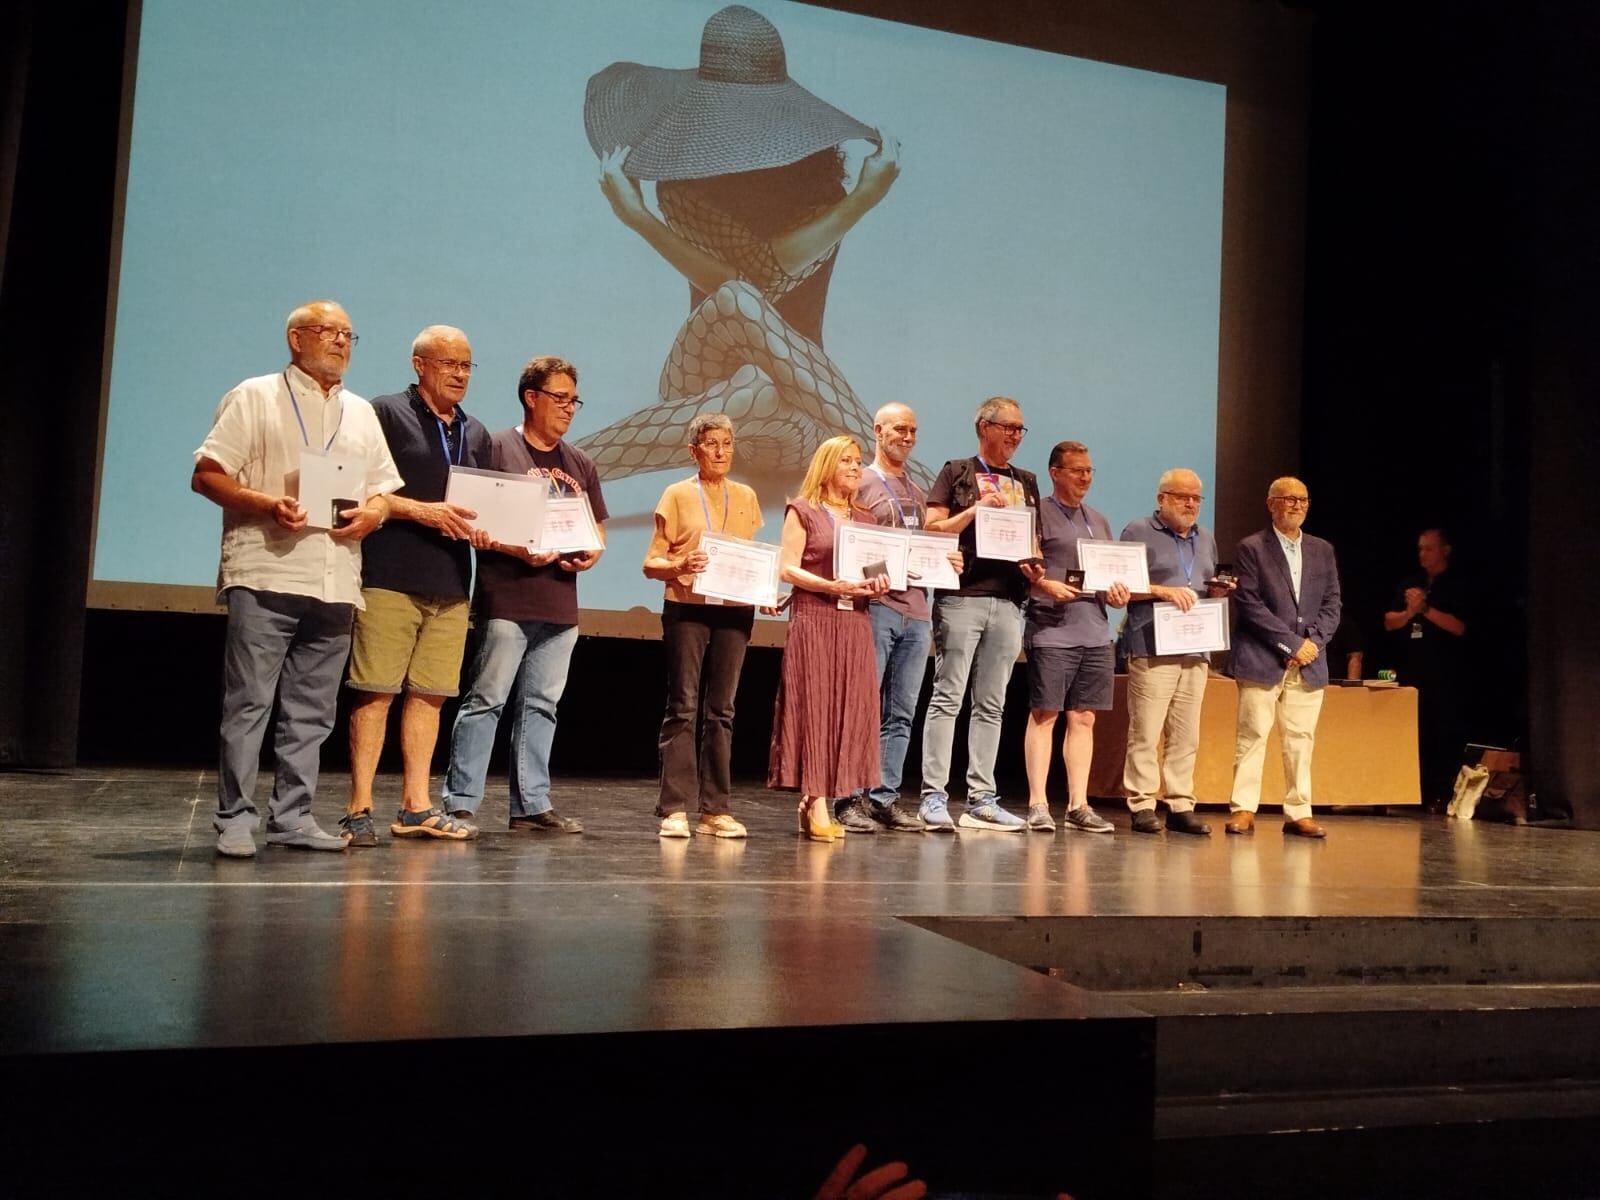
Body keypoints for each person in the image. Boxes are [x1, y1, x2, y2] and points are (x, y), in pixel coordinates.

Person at [580, 4, 929, 495]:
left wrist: (857, 201)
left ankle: (569, 465)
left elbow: (765, 279)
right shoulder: (684, 189)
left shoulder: (822, 191)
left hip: (798, 414)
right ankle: (898, 472)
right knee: (737, 301)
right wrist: (640, 218)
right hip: (695, 384)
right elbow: (749, 289)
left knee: (758, 383)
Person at [191, 300, 402, 858]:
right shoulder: (254, 395)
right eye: (329, 331)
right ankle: (235, 818)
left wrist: (374, 514)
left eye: (348, 334)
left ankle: (293, 816)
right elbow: (206, 474)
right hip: (267, 570)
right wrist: (265, 503)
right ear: (295, 339)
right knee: (249, 704)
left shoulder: (360, 411)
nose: (341, 342)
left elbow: (384, 490)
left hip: (335, 580)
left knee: (311, 712)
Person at [339, 326, 493, 847]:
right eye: (448, 362)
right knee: (376, 691)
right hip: (390, 576)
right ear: (418, 364)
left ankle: (415, 807)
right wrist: (422, 512)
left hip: (451, 582)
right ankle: (358, 808)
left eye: (467, 365)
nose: (459, 373)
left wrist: (493, 527)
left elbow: (485, 504)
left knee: (430, 696)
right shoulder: (384, 413)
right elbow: (360, 488)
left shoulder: (476, 433)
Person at [441, 356, 607, 834]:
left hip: (560, 603)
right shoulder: (496, 448)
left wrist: (590, 555)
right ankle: (461, 802)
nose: (569, 408)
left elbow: (595, 530)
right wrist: (522, 549)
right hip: (508, 596)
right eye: (559, 398)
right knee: (487, 698)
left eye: (574, 399)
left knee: (542, 705)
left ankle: (531, 803)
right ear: (531, 398)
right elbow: (474, 518)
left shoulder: (580, 462)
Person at [917, 397, 1046, 832]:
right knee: (948, 697)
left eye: (1020, 429)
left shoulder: (1026, 481)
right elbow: (932, 528)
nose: (1015, 436)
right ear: (983, 427)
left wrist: (1034, 564)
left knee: (991, 704)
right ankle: (933, 796)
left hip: (1010, 601)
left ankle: (981, 800)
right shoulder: (957, 471)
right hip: (962, 597)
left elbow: (1035, 542)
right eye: (1008, 426)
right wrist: (975, 511)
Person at [833, 403, 961, 834]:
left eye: (914, 430)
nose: (908, 437)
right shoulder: (863, 481)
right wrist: (880, 575)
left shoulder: (914, 487)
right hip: (878, 607)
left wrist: (949, 560)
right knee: (862, 705)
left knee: (901, 712)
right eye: (900, 429)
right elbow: (849, 544)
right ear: (878, 430)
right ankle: (847, 796)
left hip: (917, 611)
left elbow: (923, 543)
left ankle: (883, 797)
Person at [642, 413, 764, 839]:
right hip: (688, 607)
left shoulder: (746, 495)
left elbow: (751, 558)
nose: (720, 451)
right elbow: (651, 562)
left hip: (734, 610)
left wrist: (763, 592)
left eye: (727, 443)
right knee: (683, 706)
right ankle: (675, 808)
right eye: (711, 443)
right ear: (694, 450)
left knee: (723, 711)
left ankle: (715, 810)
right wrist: (678, 564)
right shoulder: (676, 494)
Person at [768, 436, 891, 841]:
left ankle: (824, 797)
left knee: (848, 709)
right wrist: (830, 585)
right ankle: (815, 798)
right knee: (815, 706)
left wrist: (879, 584)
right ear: (825, 466)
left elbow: (876, 573)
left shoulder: (867, 519)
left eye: (858, 461)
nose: (856, 468)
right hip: (815, 619)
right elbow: (788, 569)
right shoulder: (802, 511)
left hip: (854, 622)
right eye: (847, 461)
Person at [1225, 477, 1343, 838]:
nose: (1296, 505)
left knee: (1300, 738)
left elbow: (1332, 603)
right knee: (1253, 735)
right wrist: (1291, 644)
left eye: (1302, 500)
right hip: (1262, 657)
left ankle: (1298, 812)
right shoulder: (1251, 548)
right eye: (1288, 499)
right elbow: (1249, 604)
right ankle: (1243, 808)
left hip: (1310, 661)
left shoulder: (1323, 549)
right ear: (1270, 503)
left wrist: (1312, 643)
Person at [1022, 441, 1129, 833]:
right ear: (1055, 472)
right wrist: (1046, 585)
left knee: (1083, 718)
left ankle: (1078, 804)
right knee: (1045, 715)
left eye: (1089, 471)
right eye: (1077, 470)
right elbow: (1024, 575)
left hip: (1095, 631)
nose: (1085, 477)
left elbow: (1107, 578)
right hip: (1051, 631)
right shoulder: (1036, 515)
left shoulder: (1098, 520)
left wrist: (1116, 594)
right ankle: (1037, 804)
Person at [1119, 468, 1232, 836]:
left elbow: (1204, 584)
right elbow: (1120, 587)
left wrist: (1219, 592)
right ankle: (1142, 802)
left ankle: (1180, 803)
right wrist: (1163, 591)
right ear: (1161, 498)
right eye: (1182, 496)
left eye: (1197, 498)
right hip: (1151, 644)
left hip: (1195, 647)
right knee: (1147, 730)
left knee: (1187, 733)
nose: (1190, 504)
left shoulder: (1206, 538)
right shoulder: (1138, 531)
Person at [1383, 527, 1469, 807]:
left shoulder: (1456, 584)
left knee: (1443, 734)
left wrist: (1425, 610)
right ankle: (1413, 793)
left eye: (1429, 548)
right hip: (1413, 673)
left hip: (1447, 675)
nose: (1423, 554)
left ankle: (1443, 793)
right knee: (1414, 734)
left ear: (1445, 550)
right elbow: (1389, 621)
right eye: (1420, 548)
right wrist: (1409, 612)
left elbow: (1459, 627)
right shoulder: (1412, 583)